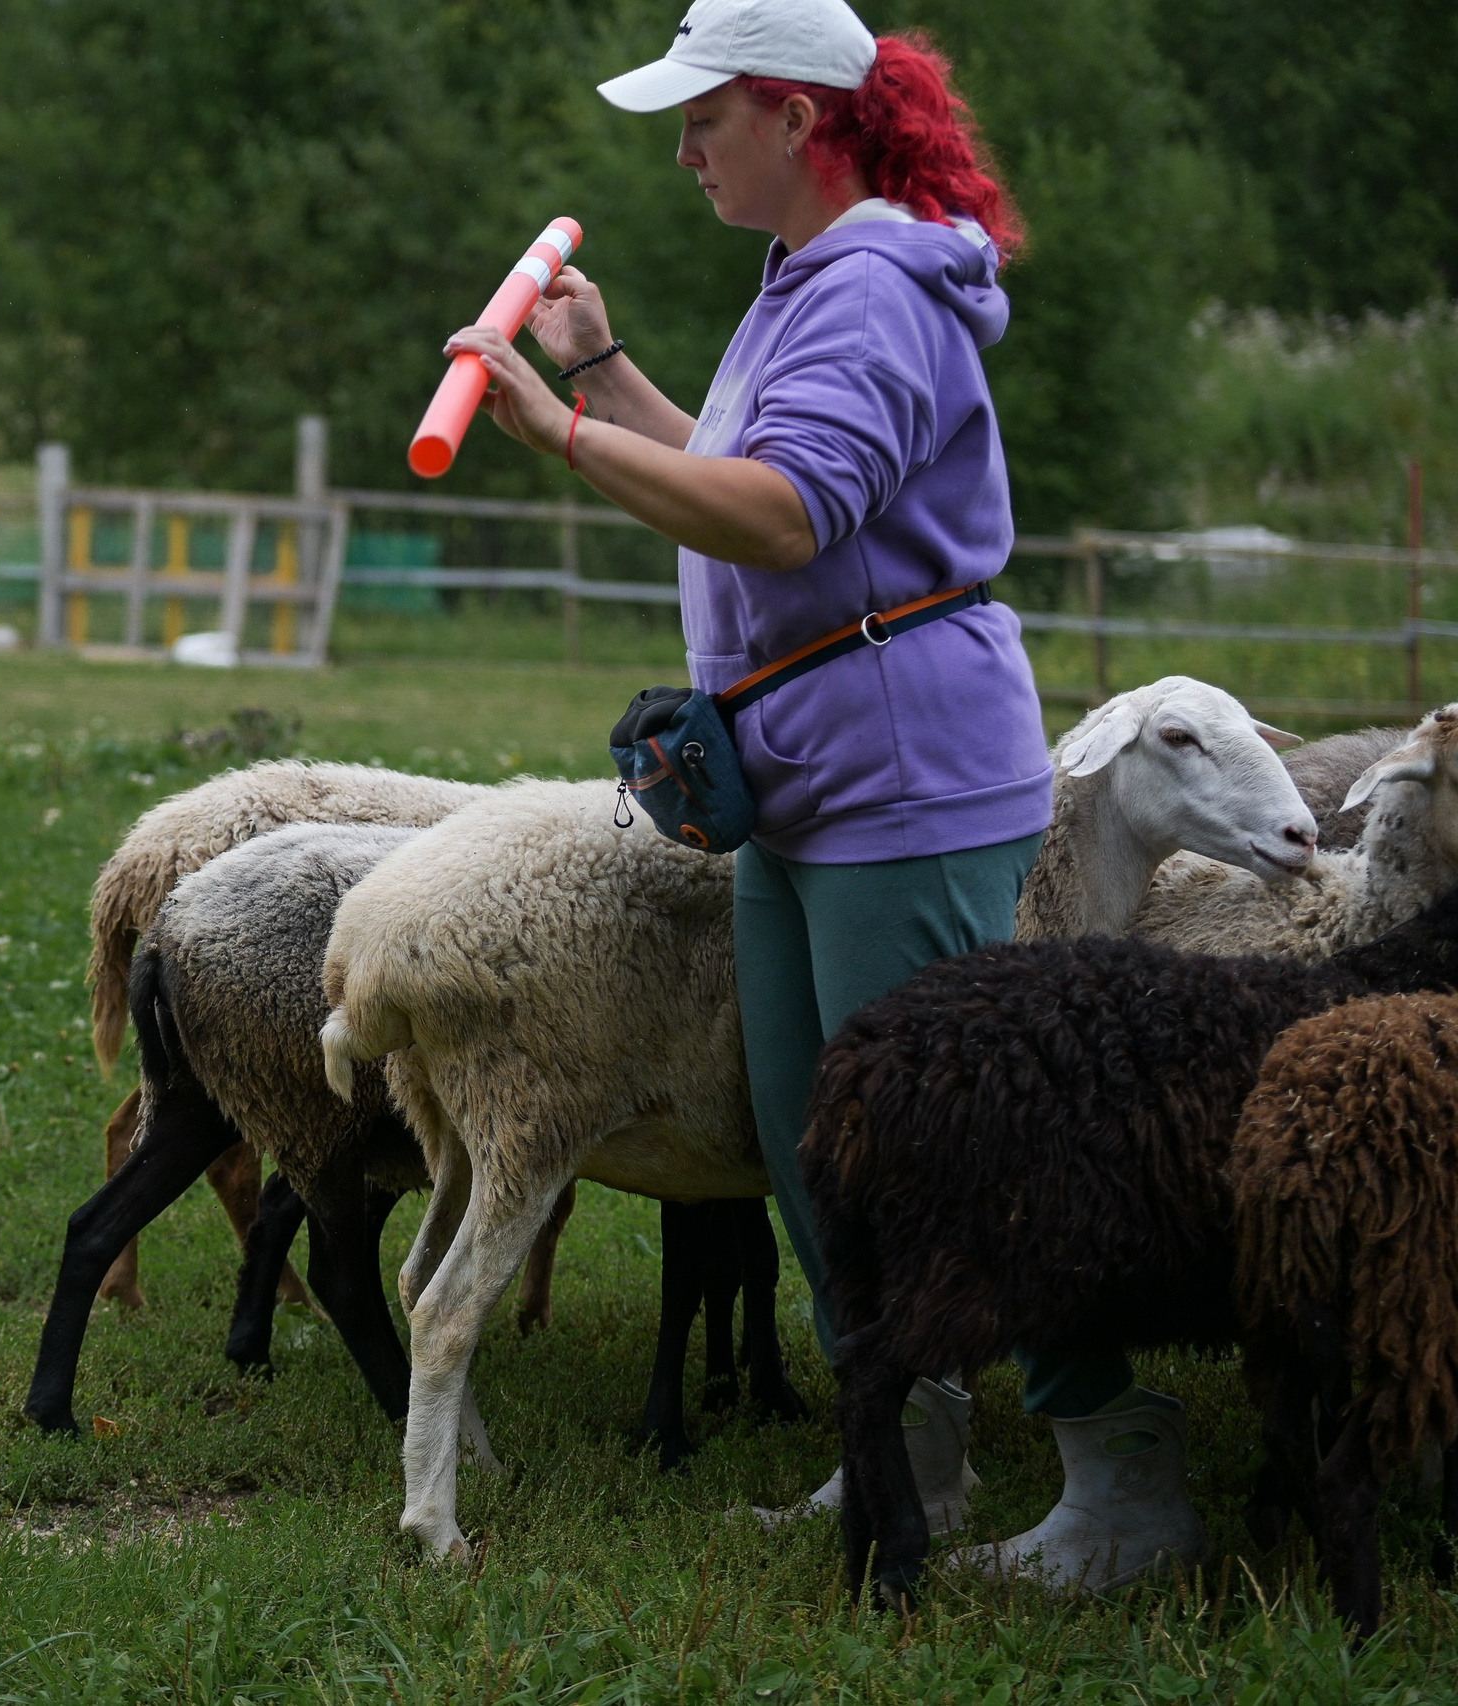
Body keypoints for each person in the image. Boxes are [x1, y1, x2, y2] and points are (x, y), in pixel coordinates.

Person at [445, 0, 1201, 1591]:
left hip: (906, 786)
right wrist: (605, 368)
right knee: (821, 1144)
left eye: (705, 116)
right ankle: (900, 1445)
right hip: (811, 785)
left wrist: (561, 430)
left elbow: (785, 515)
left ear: (796, 114)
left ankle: (1121, 1472)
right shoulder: (807, 276)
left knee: (948, 1148)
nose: (683, 146)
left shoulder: (872, 288)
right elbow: (743, 458)